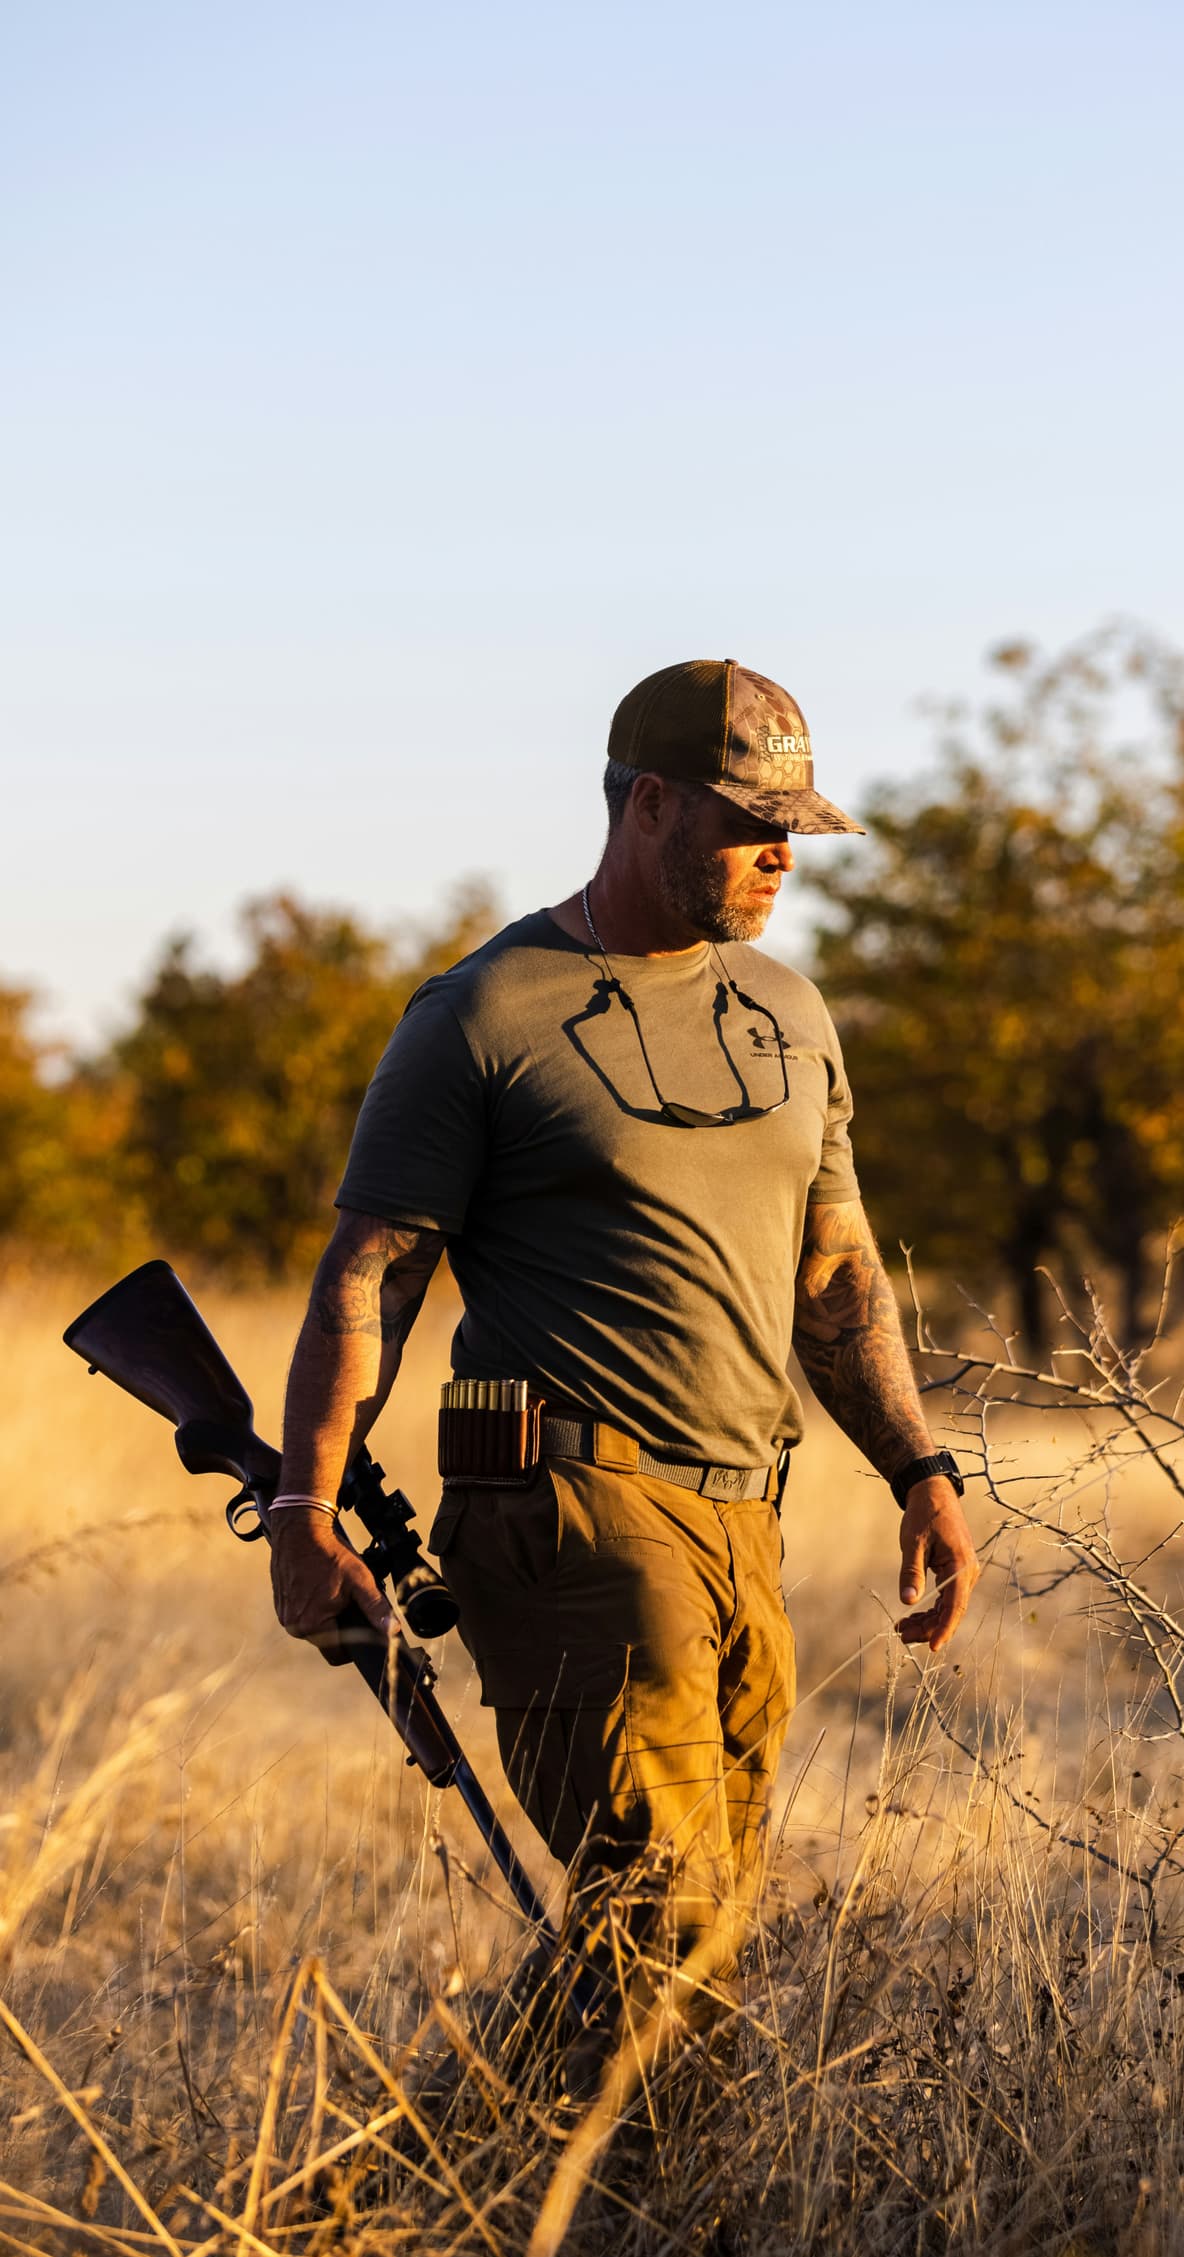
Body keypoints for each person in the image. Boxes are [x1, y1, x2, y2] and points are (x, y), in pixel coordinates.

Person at [267, 656, 979, 2039]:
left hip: (741, 1515)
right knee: (667, 1910)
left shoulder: (792, 1011)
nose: (781, 854)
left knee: (680, 1946)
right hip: (571, 1509)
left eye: (795, 828)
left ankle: (497, 2225)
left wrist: (922, 1471)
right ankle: (429, 2223)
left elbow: (836, 1273)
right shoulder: (484, 1012)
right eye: (747, 822)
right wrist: (305, 1503)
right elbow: (374, 1274)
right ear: (648, 806)